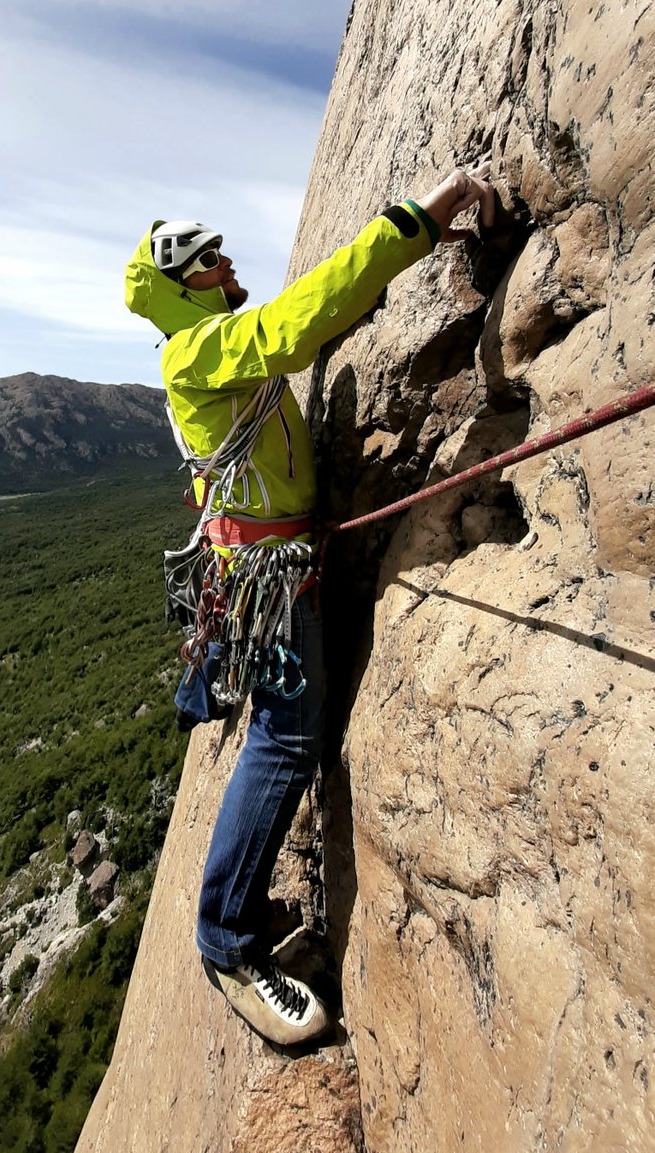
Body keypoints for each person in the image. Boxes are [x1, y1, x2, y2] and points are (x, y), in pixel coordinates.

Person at [125, 165, 494, 1047]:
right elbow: (294, 325)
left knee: (265, 711)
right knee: (287, 739)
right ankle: (226, 939)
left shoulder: (209, 341)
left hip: (257, 553)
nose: (227, 264)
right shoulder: (197, 349)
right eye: (211, 260)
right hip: (267, 567)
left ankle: (203, 690)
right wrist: (411, 223)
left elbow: (293, 327)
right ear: (185, 283)